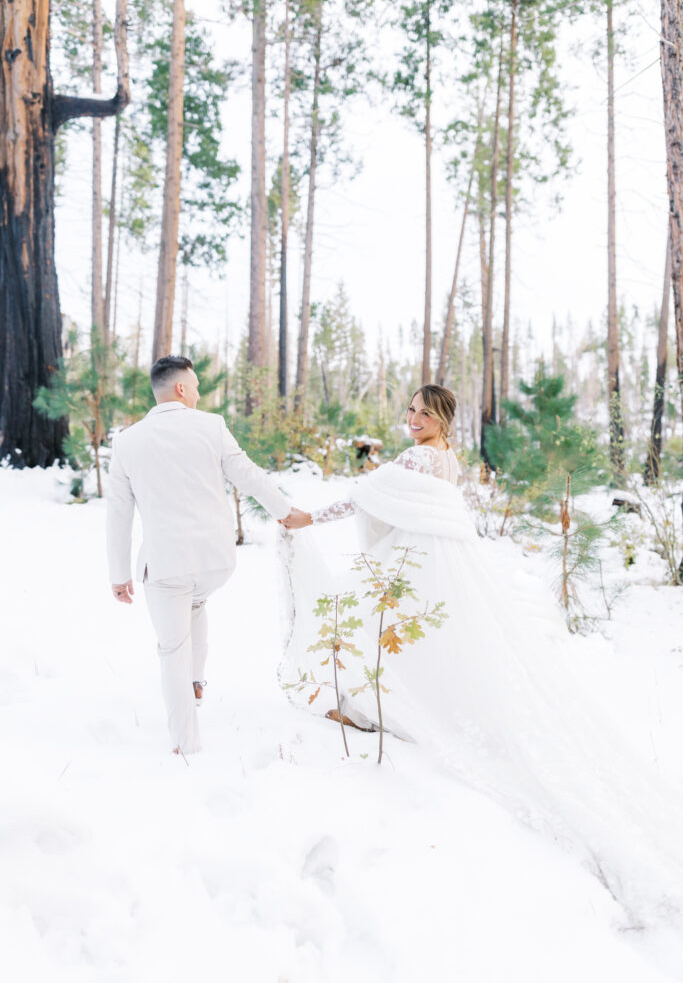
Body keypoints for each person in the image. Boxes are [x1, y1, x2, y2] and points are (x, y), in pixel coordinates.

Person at [280, 384, 683, 928]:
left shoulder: (417, 457)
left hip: (415, 559)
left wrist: (308, 518)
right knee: (411, 638)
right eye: (411, 410)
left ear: (442, 419)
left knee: (373, 624)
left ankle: (374, 708)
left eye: (425, 413)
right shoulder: (448, 458)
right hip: (438, 561)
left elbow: (364, 498)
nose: (413, 419)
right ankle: (374, 705)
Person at [107, 355, 292, 756]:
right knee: (195, 602)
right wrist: (284, 511)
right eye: (195, 387)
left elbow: (119, 514)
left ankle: (185, 743)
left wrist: (119, 574)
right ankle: (196, 682)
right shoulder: (212, 426)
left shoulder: (126, 442)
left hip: (166, 564)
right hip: (216, 560)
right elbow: (249, 475)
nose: (198, 394)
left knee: (172, 647)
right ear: (180, 388)